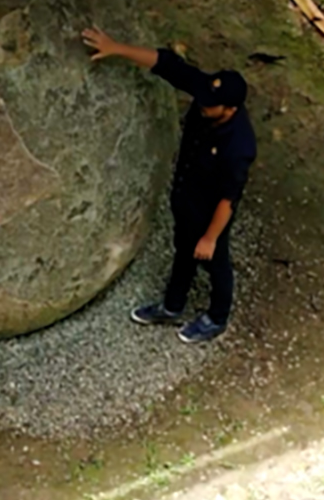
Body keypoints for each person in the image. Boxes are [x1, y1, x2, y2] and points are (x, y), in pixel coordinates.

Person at [82, 28, 256, 344]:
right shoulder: (208, 94)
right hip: (186, 196)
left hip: (209, 210)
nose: (202, 105)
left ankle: (217, 317)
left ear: (229, 109)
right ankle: (173, 306)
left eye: (210, 105)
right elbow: (166, 64)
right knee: (183, 252)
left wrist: (210, 237)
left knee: (214, 262)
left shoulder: (238, 145)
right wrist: (116, 47)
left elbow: (228, 199)